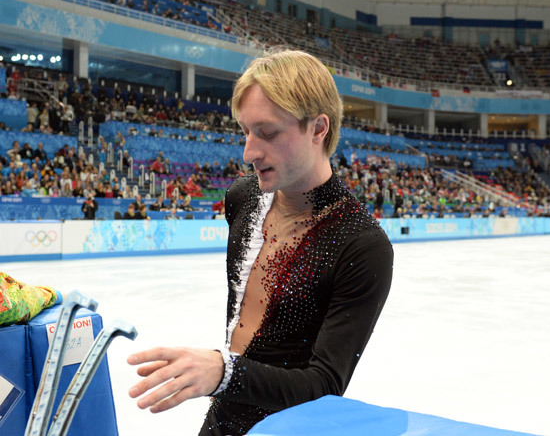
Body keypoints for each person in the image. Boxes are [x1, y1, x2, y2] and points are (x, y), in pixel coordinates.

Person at [127, 50, 394, 436]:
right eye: (246, 132)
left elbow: (325, 386)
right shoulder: (242, 198)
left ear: (318, 129)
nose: (249, 151)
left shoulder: (361, 245)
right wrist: (222, 378)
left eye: (267, 133)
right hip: (221, 421)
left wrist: (223, 371)